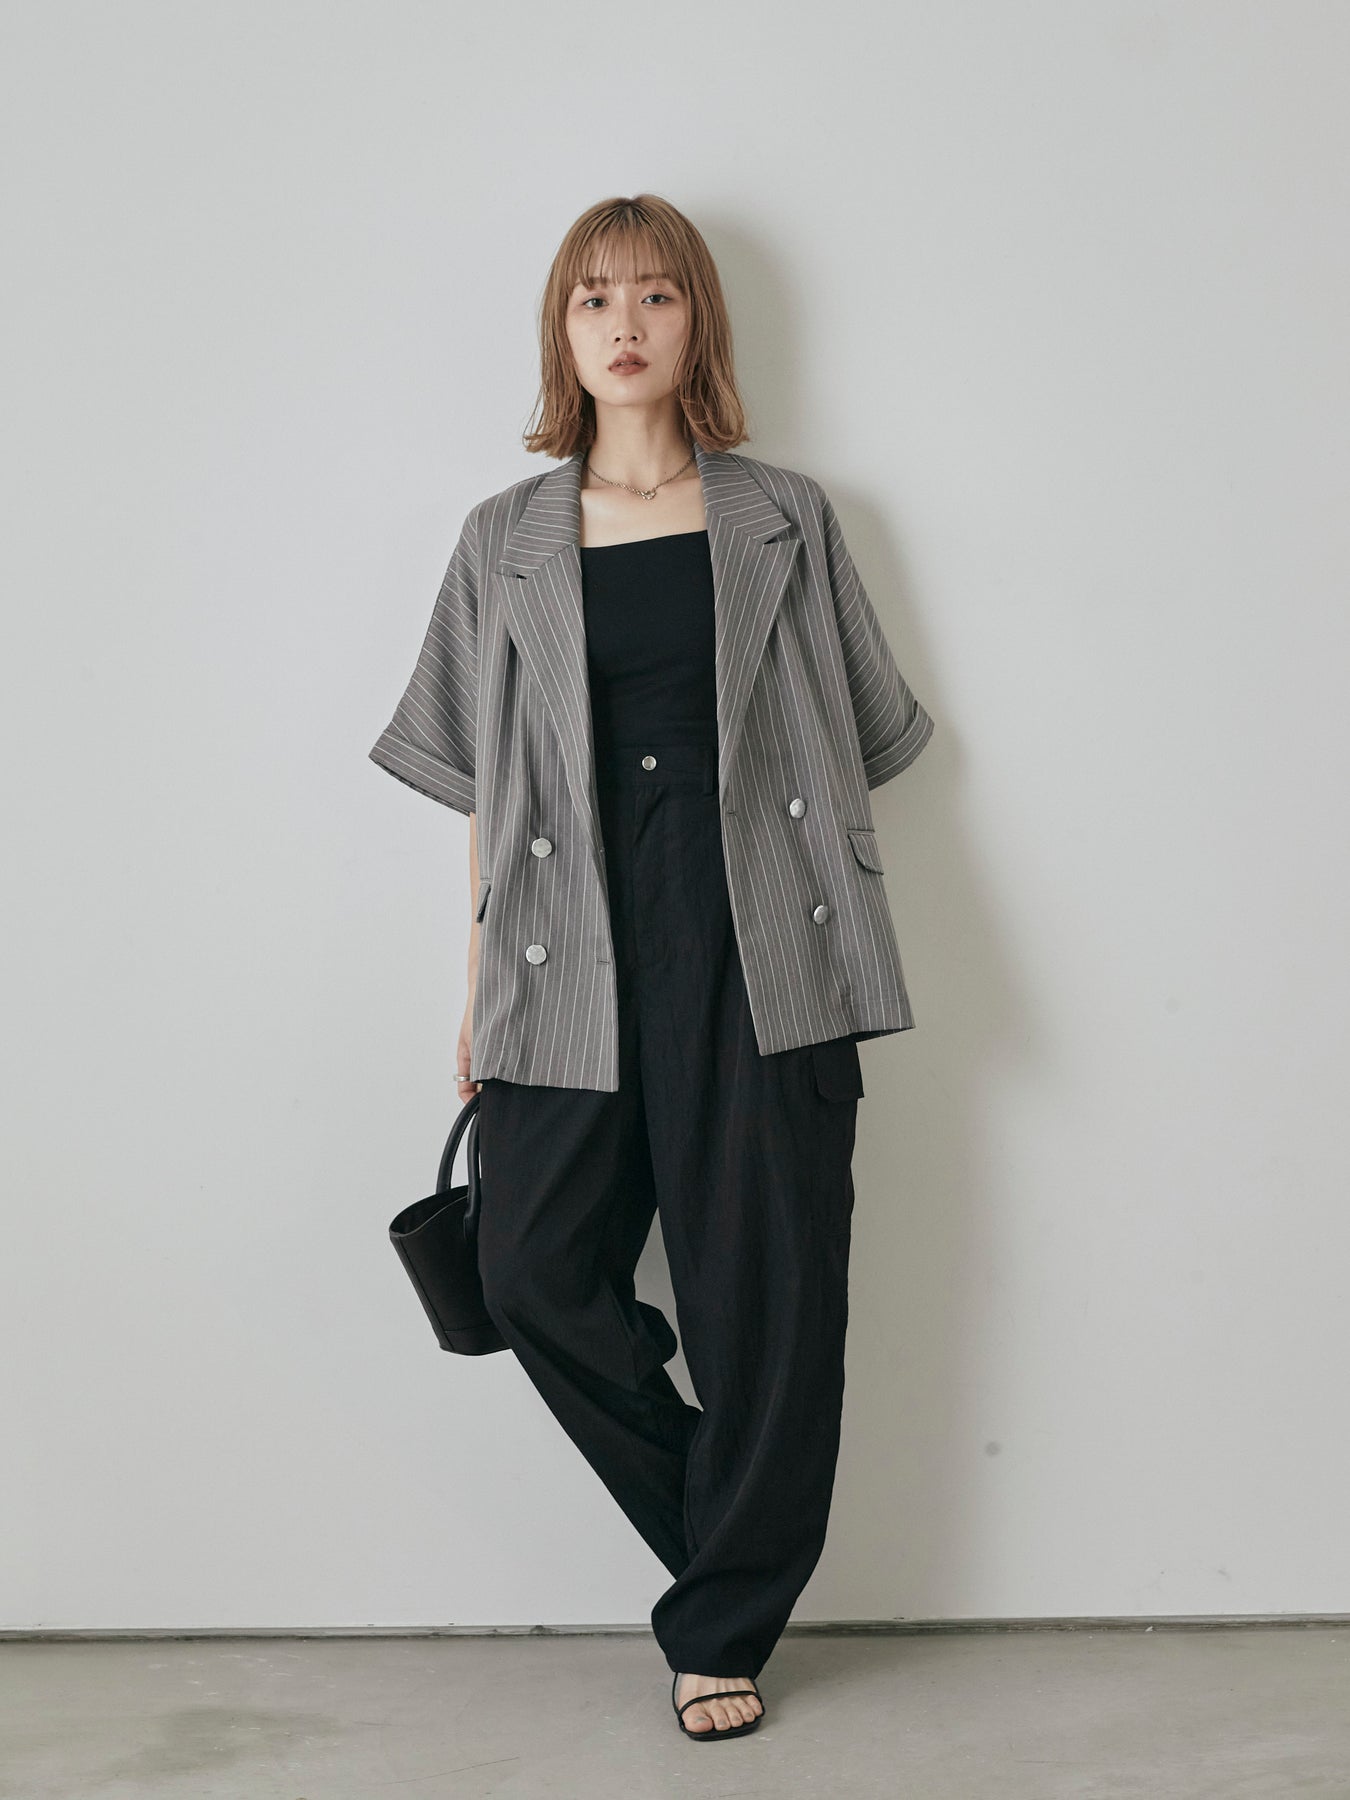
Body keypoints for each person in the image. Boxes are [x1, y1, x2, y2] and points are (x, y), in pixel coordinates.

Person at [369, 192, 935, 1742]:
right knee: (531, 1270)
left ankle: (719, 1630)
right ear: (560, 332)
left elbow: (864, 738)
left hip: (764, 940)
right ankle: (733, 1540)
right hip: (567, 942)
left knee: (767, 1296)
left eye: (657, 295)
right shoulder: (502, 538)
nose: (624, 325)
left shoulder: (786, 518)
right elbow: (485, 790)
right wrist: (476, 987)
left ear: (699, 323)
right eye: (592, 298)